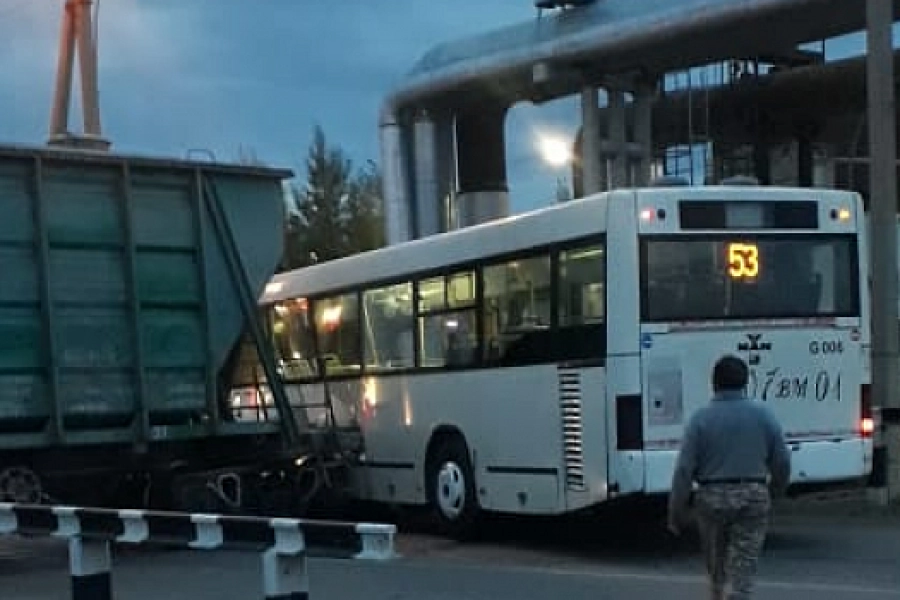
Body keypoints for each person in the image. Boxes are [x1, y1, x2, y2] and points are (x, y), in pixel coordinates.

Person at [667, 355, 791, 600]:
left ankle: (718, 590)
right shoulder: (764, 416)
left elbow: (684, 470)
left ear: (714, 383)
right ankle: (739, 592)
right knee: (745, 561)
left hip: (711, 497)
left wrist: (676, 511)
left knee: (716, 560)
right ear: (745, 382)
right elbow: (782, 462)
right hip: (753, 495)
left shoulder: (700, 420)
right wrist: (775, 492)